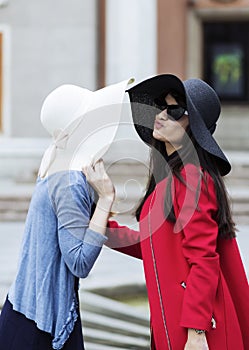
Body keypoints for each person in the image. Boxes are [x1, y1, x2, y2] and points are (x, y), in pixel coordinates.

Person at [83, 74, 249, 350]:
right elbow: (152, 245)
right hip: (171, 321)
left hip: (198, 330)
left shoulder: (194, 178)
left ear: (194, 127)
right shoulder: (170, 177)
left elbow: (204, 260)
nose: (160, 115)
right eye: (161, 106)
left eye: (174, 111)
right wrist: (101, 221)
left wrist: (197, 332)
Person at [0, 78, 133, 350]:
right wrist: (106, 198)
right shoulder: (69, 180)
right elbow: (80, 262)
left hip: (24, 308)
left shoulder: (53, 155)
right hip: (43, 325)